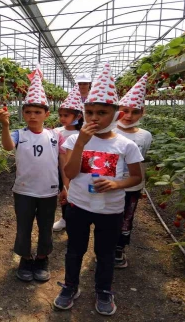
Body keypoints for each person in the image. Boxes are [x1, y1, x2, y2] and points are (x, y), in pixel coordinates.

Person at [53, 62, 143, 316]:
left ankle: (103, 290)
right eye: (89, 111)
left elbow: (136, 177)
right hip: (79, 205)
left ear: (116, 115)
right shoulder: (74, 139)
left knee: (104, 253)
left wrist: (117, 183)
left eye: (101, 112)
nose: (94, 117)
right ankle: (71, 285)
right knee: (75, 250)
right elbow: (69, 174)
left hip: (111, 209)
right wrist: (81, 142)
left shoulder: (126, 146)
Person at [0, 65, 60, 283]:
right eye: (28, 112)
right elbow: (7, 147)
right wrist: (4, 126)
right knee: (23, 226)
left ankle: (42, 257)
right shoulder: (18, 134)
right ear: (23, 113)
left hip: (49, 191)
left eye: (37, 112)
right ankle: (25, 257)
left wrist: (66, 187)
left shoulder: (55, 135)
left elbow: (64, 159)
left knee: (46, 226)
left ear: (46, 114)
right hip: (23, 190)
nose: (32, 116)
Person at [113, 74, 153, 268]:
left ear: (141, 113)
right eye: (124, 111)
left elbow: (141, 161)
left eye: (134, 112)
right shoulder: (109, 132)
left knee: (127, 217)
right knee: (108, 216)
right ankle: (106, 246)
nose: (128, 116)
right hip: (110, 183)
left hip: (132, 186)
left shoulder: (146, 136)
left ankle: (119, 248)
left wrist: (141, 185)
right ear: (117, 111)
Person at [52, 89, 84, 232]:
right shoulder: (57, 131)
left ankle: (77, 218)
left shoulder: (83, 133)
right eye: (61, 115)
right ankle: (64, 218)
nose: (62, 118)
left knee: (77, 193)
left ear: (79, 116)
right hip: (60, 169)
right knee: (63, 192)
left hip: (79, 169)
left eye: (66, 115)